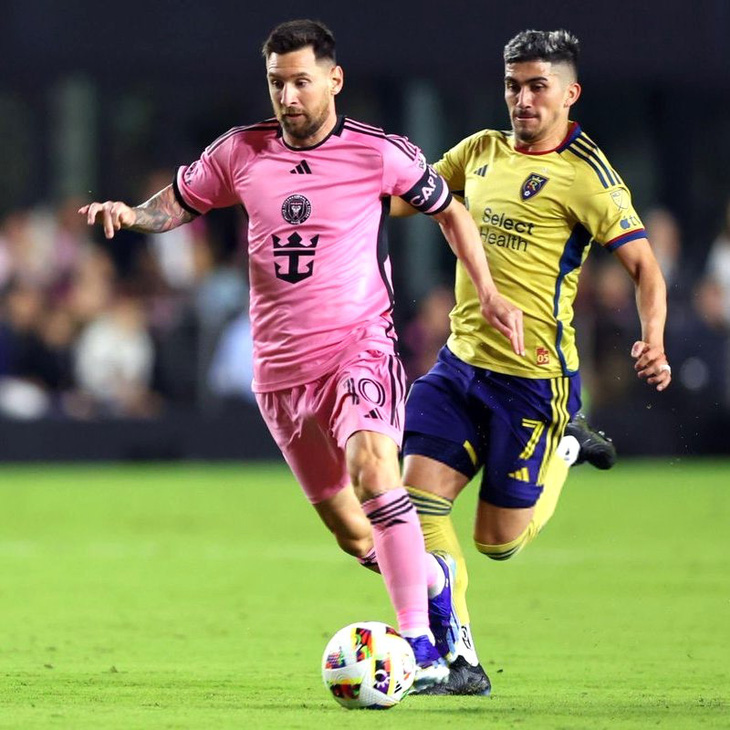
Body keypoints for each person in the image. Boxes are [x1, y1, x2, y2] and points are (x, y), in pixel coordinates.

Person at [79, 19, 524, 690]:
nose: (288, 97)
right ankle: (432, 580)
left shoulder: (380, 153)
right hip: (279, 373)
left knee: (377, 471)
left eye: (300, 82)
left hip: (359, 347)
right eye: (276, 83)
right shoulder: (240, 151)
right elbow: (182, 200)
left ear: (333, 80)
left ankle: (424, 650)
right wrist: (134, 215)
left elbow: (451, 210)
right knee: (353, 532)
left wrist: (487, 292)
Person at [390, 29, 671, 695]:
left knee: (498, 543)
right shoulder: (479, 152)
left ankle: (569, 447)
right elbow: (410, 197)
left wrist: (653, 338)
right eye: (513, 84)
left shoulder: (590, 177)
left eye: (537, 85)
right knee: (416, 505)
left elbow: (646, 270)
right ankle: (457, 660)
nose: (521, 97)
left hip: (533, 384)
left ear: (570, 94)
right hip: (458, 368)